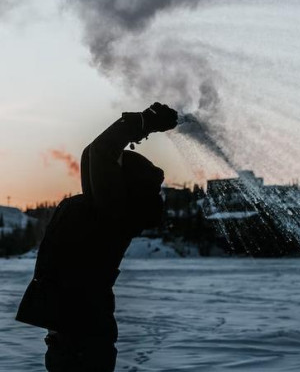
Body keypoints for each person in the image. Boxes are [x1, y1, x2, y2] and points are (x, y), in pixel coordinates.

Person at [16, 102, 179, 371]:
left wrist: (142, 123)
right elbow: (93, 153)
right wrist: (138, 126)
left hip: (82, 339)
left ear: (125, 183)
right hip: (76, 333)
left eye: (118, 166)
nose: (108, 167)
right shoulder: (106, 207)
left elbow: (102, 152)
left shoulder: (115, 210)